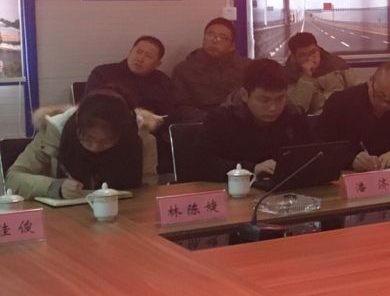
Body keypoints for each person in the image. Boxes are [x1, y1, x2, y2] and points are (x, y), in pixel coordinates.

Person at [5, 89, 157, 199]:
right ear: (77, 126)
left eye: (106, 141)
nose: (95, 147)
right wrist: (54, 187)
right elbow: (13, 178)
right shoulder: (56, 131)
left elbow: (149, 189)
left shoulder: (140, 140)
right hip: (64, 218)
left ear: (121, 135)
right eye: (88, 138)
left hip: (124, 216)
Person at [197, 59, 311, 183]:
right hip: (236, 189)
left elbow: (314, 155)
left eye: (280, 99)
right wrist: (251, 169)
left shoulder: (294, 115)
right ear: (244, 95)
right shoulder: (221, 119)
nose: (273, 108)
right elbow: (202, 165)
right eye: (264, 100)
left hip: (286, 188)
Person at [316, 63, 390, 172]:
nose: (384, 104)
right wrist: (351, 159)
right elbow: (320, 146)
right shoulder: (341, 102)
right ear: (370, 82)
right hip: (348, 175)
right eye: (380, 96)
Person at [171, 18, 248, 123]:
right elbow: (181, 107)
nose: (215, 40)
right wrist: (212, 121)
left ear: (232, 46)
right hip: (201, 124)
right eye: (210, 35)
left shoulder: (247, 68)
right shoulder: (183, 70)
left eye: (223, 37)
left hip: (240, 123)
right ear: (203, 39)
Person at [85, 35, 174, 119]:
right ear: (130, 52)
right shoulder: (103, 73)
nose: (140, 59)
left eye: (148, 56)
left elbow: (171, 114)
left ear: (157, 64)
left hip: (154, 127)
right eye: (138, 52)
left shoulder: (163, 81)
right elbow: (92, 107)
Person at [284, 32, 354, 115]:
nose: (310, 58)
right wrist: (306, 77)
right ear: (294, 58)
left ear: (318, 50)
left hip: (342, 114)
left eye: (313, 52)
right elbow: (298, 110)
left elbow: (357, 91)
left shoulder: (337, 65)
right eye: (303, 55)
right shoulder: (289, 76)